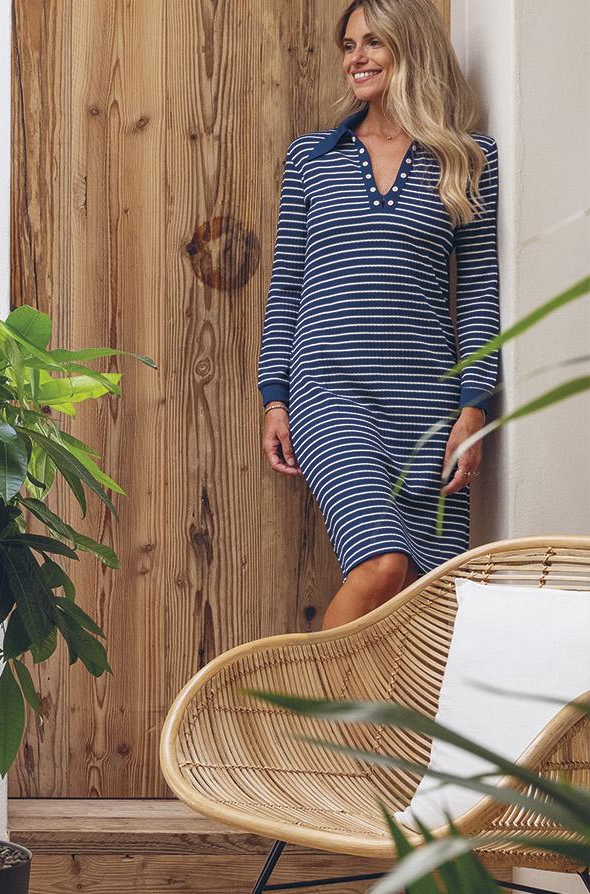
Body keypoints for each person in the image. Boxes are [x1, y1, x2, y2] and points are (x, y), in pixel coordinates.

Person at [258, 0, 500, 630]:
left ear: (410, 48)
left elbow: (478, 294)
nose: (356, 58)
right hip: (330, 392)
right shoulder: (311, 158)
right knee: (381, 564)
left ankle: (368, 705)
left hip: (428, 406)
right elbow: (286, 289)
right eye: (349, 45)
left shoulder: (468, 158)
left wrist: (474, 408)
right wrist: (274, 397)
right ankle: (304, 692)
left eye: (373, 42)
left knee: (427, 608)